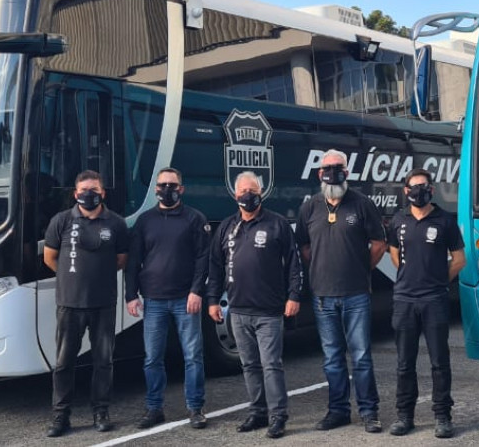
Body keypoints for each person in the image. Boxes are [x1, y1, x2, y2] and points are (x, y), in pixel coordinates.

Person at [295, 149, 387, 434]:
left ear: (347, 172)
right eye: (327, 168)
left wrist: (361, 269)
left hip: (356, 294)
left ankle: (369, 412)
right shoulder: (309, 207)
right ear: (319, 174)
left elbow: (379, 244)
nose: (332, 173)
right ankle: (338, 411)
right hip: (322, 296)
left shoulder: (362, 204)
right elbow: (304, 246)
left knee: (361, 356)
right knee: (332, 358)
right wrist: (321, 269)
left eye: (338, 167)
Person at [208, 171, 303, 440]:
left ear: (261, 193)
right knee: (249, 365)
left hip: (269, 312)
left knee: (271, 364)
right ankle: (258, 412)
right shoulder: (227, 227)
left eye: (253, 191)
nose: (248, 196)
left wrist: (294, 296)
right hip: (237, 311)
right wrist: (213, 301)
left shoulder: (277, 224)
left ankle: (278, 416)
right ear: (235, 194)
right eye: (243, 191)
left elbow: (294, 264)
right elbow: (215, 267)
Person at [42, 170, 129, 437]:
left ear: (103, 193)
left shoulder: (116, 223)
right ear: (75, 194)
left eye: (94, 190)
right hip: (69, 304)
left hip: (103, 304)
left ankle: (101, 412)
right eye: (83, 191)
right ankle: (61, 416)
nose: (88, 195)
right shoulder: (61, 221)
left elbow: (121, 260)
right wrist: (71, 278)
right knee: (64, 363)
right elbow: (50, 257)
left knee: (103, 361)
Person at [126, 167, 210, 430]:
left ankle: (195, 408)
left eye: (172, 185)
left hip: (186, 299)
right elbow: (133, 261)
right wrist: (131, 295)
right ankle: (154, 408)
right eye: (162, 185)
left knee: (193, 356)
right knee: (152, 357)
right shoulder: (145, 221)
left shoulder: (195, 219)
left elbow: (203, 259)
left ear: (181, 189)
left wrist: (196, 291)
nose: (167, 189)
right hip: (153, 300)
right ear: (155, 189)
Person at [386, 169, 465, 438]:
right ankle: (404, 416)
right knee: (404, 364)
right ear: (406, 190)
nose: (419, 191)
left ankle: (443, 417)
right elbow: (394, 252)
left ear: (431, 189)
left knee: (439, 362)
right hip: (404, 300)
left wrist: (439, 281)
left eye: (423, 186)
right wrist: (408, 276)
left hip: (434, 300)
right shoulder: (399, 219)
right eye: (414, 186)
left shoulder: (445, 220)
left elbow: (459, 260)